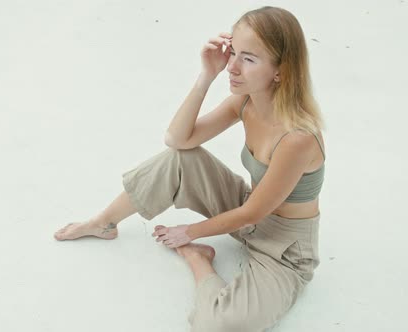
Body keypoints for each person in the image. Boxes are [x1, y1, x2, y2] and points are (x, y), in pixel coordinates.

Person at [54, 6, 325, 332]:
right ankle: (103, 223)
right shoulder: (245, 101)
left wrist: (190, 233)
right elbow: (178, 140)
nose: (232, 67)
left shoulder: (298, 137)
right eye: (233, 52)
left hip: (284, 248)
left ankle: (199, 260)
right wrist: (206, 76)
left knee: (219, 325)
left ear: (281, 71)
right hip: (246, 209)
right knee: (182, 159)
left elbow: (252, 214)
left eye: (248, 59)